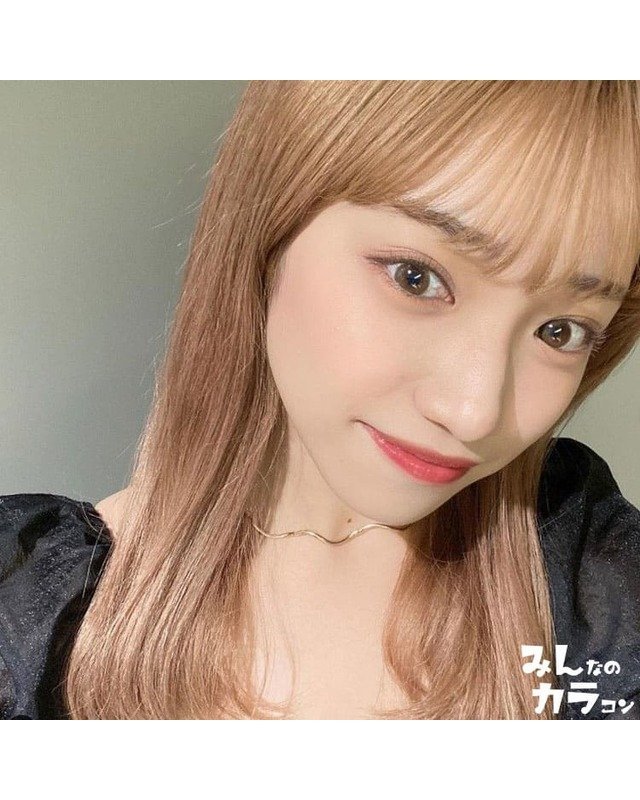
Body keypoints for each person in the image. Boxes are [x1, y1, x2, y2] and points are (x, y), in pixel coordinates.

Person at [1, 80, 639, 720]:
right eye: (416, 278)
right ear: (268, 228)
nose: (474, 413)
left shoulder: (596, 584)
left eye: (561, 331)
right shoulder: (24, 609)